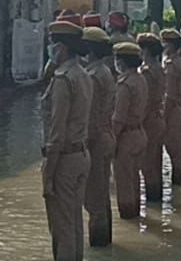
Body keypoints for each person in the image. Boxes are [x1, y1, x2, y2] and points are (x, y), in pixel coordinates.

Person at [41, 18, 94, 261]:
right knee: (73, 222)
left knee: (61, 228)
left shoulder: (63, 79)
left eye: (53, 45)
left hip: (63, 158)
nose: (50, 50)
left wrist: (48, 172)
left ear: (61, 47)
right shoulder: (83, 73)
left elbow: (57, 130)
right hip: (81, 155)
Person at [82, 27, 116, 247]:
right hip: (106, 135)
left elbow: (91, 117)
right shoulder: (104, 71)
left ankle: (99, 243)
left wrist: (85, 146)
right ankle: (105, 243)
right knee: (102, 195)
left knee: (94, 198)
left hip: (96, 139)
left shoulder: (94, 76)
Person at [112, 41, 148, 220]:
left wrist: (112, 140)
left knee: (124, 183)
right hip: (139, 133)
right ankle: (137, 217)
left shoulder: (124, 85)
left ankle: (128, 219)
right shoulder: (141, 79)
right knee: (134, 178)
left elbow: (119, 118)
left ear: (122, 62)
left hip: (126, 137)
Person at [137, 32, 166, 204]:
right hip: (158, 118)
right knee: (156, 162)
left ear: (146, 50)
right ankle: (158, 200)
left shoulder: (147, 72)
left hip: (149, 120)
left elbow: (145, 102)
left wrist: (139, 122)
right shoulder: (159, 69)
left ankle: (152, 201)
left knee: (148, 165)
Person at [160, 27, 181, 185]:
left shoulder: (172, 64)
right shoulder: (176, 62)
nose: (163, 46)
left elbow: (169, 95)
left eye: (166, 43)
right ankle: (180, 184)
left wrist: (163, 118)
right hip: (178, 108)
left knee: (174, 150)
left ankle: (178, 183)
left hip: (172, 111)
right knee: (178, 150)